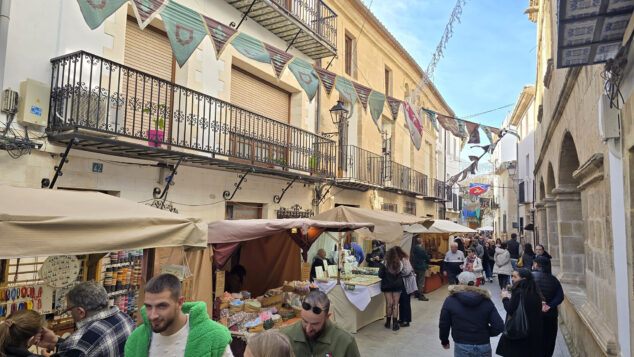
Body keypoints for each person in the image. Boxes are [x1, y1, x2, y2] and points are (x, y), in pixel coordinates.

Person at [125, 273, 232, 357]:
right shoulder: (136, 339)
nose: (153, 315)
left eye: (162, 306)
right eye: (148, 306)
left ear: (180, 302)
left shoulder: (214, 337)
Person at [37, 281, 135, 356]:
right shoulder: (125, 318)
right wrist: (56, 341)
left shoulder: (76, 343)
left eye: (69, 309)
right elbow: (93, 346)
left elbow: (83, 346)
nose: (71, 314)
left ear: (80, 312)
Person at [439, 271, 504, 357]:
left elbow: (444, 324)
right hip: (483, 345)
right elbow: (499, 326)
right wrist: (485, 333)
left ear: (460, 283)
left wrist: (444, 341)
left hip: (462, 345)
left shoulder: (450, 300)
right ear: (475, 282)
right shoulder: (486, 300)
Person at [281, 291, 360, 357]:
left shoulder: (346, 341)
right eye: (304, 321)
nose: (308, 329)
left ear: (327, 317)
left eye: (315, 324)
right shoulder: (285, 337)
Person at [496, 269, 544, 357]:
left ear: (523, 279)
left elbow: (510, 309)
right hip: (534, 330)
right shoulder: (535, 291)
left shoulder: (518, 292)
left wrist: (504, 298)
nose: (512, 279)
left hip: (520, 330)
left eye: (515, 277)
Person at [533, 256, 564, 357]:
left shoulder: (530, 278)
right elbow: (560, 296)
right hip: (550, 315)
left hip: (534, 316)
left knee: (535, 341)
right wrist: (549, 306)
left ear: (536, 265)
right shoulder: (554, 280)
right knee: (549, 340)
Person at [378, 247, 405, 331]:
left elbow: (380, 275)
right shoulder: (400, 263)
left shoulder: (384, 263)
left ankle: (388, 322)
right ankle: (395, 324)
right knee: (395, 304)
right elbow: (402, 273)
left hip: (387, 285)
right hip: (397, 285)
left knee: (389, 304)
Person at [395, 246, 416, 328]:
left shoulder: (404, 259)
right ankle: (401, 318)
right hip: (404, 282)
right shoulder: (402, 258)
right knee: (401, 301)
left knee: (405, 301)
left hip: (407, 282)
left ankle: (406, 320)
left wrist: (399, 273)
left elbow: (407, 271)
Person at [412, 237, 431, 301]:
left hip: (415, 266)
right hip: (421, 266)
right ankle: (420, 295)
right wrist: (429, 257)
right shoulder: (422, 249)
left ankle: (416, 293)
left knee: (416, 280)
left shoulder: (413, 248)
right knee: (421, 281)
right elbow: (426, 258)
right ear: (421, 242)